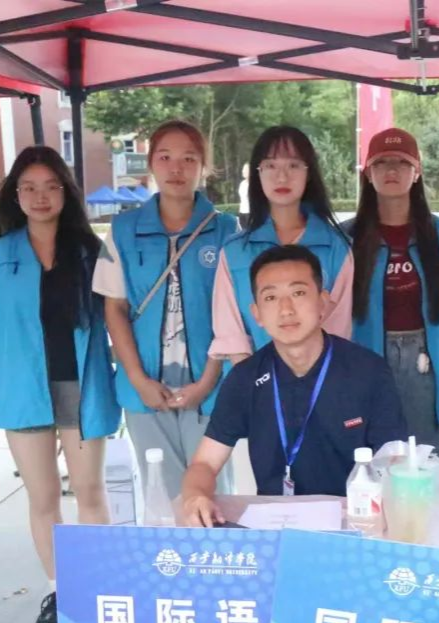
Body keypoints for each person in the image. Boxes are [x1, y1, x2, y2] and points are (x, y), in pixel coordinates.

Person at [0, 146, 120, 623]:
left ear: (66, 192)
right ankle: (62, 591)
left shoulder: (92, 251)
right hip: (23, 389)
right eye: (29, 188)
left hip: (80, 384)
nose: (40, 197)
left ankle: (97, 587)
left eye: (51, 187)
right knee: (42, 497)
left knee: (90, 491)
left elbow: (113, 318)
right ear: (15, 195)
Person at [181, 245, 407, 526]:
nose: (286, 310)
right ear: (257, 314)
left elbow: (395, 462)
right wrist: (195, 496)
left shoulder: (369, 371)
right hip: (275, 526)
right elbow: (204, 463)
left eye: (298, 293)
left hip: (356, 523)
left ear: (323, 303)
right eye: (271, 297)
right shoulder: (245, 378)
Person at [93, 119, 237, 500]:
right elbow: (114, 309)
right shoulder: (123, 230)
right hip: (145, 390)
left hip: (209, 390)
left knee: (214, 495)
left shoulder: (226, 231)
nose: (177, 168)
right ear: (151, 163)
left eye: (189, 158)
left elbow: (231, 317)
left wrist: (207, 383)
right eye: (165, 157)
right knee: (163, 497)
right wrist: (138, 380)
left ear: (203, 167)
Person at [344, 128, 439, 487]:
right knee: (373, 456)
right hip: (368, 355)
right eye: (381, 163)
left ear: (417, 171)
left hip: (424, 358)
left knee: (426, 458)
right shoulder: (347, 236)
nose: (391, 170)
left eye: (402, 163)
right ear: (368, 173)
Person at [211, 126, 353, 366]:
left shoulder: (337, 248)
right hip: (251, 380)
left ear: (309, 173)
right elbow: (231, 333)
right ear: (257, 174)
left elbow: (339, 329)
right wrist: (255, 382)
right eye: (270, 166)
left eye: (293, 165)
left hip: (321, 380)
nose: (282, 177)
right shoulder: (235, 251)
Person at [237, 162, 250, 230]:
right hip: (242, 212)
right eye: (243, 169)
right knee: (243, 231)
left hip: (250, 212)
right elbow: (242, 198)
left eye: (245, 170)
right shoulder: (242, 184)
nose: (243, 171)